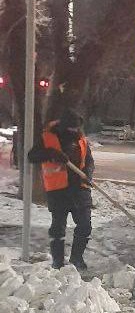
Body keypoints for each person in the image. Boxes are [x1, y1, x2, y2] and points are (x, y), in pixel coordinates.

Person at [28, 109, 94, 270]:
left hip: (80, 189)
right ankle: (58, 262)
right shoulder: (48, 137)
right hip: (58, 190)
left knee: (85, 226)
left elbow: (89, 160)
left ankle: (76, 259)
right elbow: (32, 156)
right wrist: (51, 153)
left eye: (76, 129)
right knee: (58, 227)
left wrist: (88, 173)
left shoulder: (81, 139)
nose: (74, 132)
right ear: (63, 126)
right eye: (70, 129)